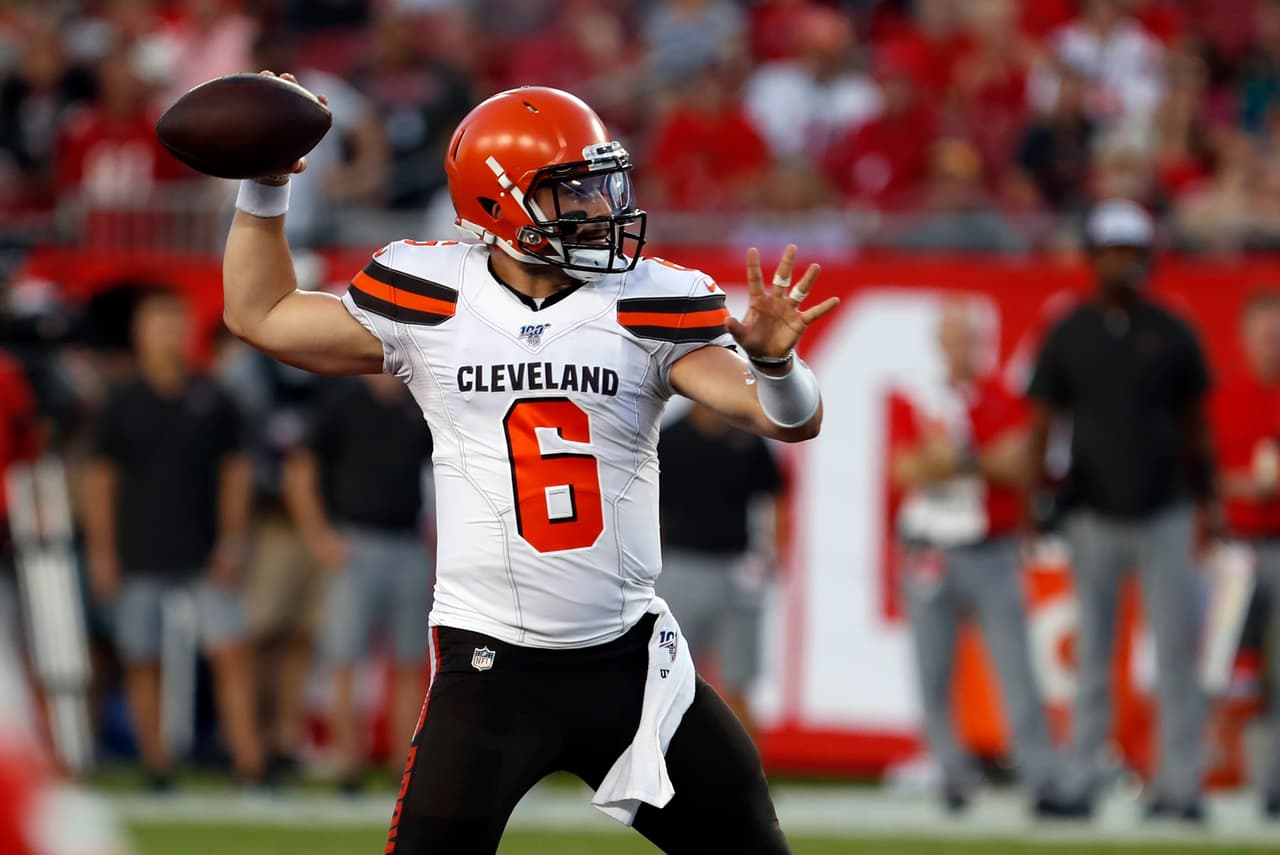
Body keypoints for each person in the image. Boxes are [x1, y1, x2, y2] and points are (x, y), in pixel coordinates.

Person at [223, 79, 836, 854]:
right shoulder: (432, 294)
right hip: (489, 666)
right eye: (572, 192)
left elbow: (787, 418)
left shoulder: (651, 298)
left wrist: (776, 364)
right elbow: (260, 313)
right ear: (500, 203)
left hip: (629, 662)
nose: (600, 207)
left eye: (602, 183)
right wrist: (264, 187)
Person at [1027, 199, 1214, 822]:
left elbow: (1196, 423)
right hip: (1093, 509)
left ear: (1146, 257)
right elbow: (1043, 419)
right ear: (1091, 256)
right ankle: (1081, 778)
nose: (1121, 263)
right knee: (1094, 654)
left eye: (1131, 252)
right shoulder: (1070, 330)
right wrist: (1037, 496)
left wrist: (1207, 500)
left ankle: (1180, 784)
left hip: (1165, 507)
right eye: (1111, 251)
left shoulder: (1172, 328)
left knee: (1178, 650)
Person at [889, 299, 1067, 816]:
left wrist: (955, 458)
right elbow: (906, 469)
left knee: (1015, 667)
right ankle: (952, 772)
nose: (962, 348)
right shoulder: (918, 395)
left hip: (991, 547)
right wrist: (975, 460)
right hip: (930, 549)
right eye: (953, 337)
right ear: (941, 342)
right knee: (933, 669)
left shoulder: (1003, 398)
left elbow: (1018, 464)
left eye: (969, 337)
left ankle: (1040, 774)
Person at [83, 289, 262, 789]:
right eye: (157, 323)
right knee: (142, 659)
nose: (168, 333)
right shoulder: (120, 403)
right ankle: (157, 762)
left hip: (206, 551)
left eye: (175, 323)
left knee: (231, 651)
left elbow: (236, 473)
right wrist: (103, 552)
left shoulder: (214, 397)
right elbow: (100, 482)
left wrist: (232, 541)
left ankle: (249, 762)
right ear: (139, 334)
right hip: (140, 551)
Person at [283, 373, 434, 793]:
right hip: (355, 541)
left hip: (407, 541)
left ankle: (401, 765)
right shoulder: (342, 401)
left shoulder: (417, 400)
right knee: (345, 658)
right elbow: (300, 468)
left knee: (408, 661)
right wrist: (318, 536)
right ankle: (347, 762)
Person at [655, 402, 783, 738]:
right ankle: (663, 781)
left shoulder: (747, 438)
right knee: (667, 681)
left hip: (736, 569)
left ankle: (750, 786)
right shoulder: (669, 438)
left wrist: (774, 550)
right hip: (680, 567)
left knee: (739, 683)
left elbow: (776, 493)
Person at [1210, 289, 1280, 819]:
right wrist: (1238, 487)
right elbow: (1200, 477)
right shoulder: (1223, 399)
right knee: (1217, 667)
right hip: (1234, 550)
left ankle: (1270, 781)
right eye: (1264, 334)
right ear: (1244, 338)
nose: (1272, 345)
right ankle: (1194, 772)